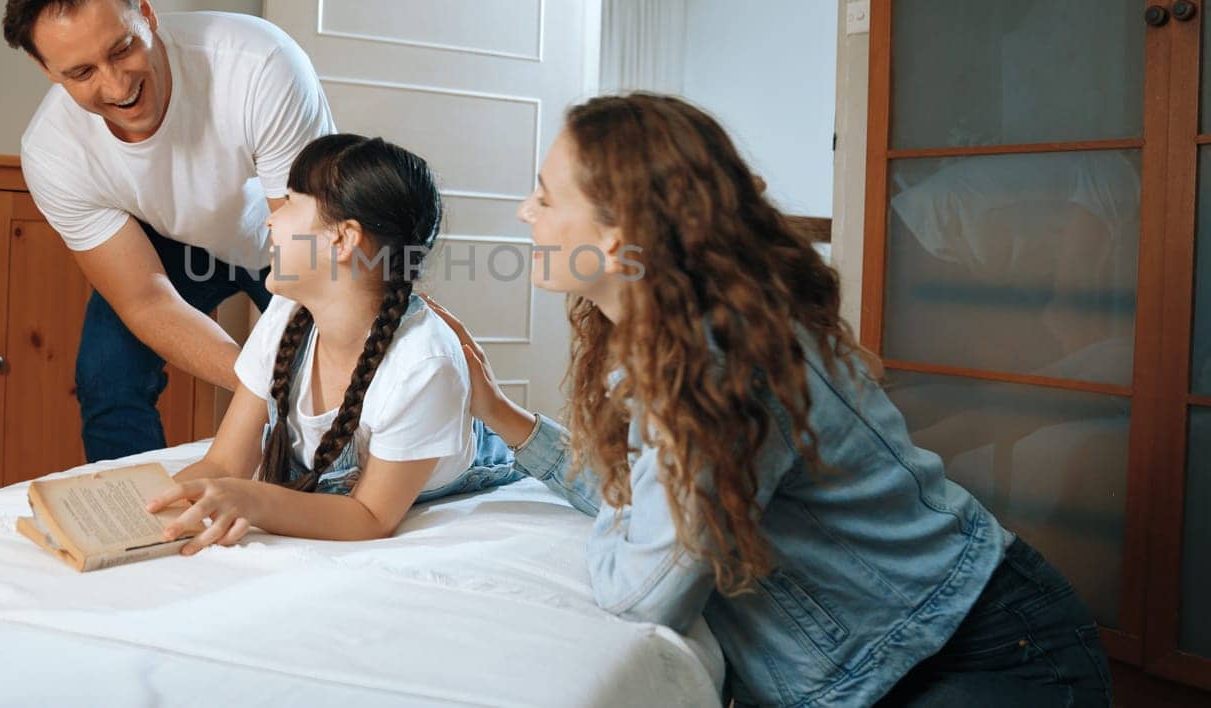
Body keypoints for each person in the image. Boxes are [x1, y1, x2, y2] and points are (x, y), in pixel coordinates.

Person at [430, 93, 1112, 707]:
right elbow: (653, 514)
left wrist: (618, 518)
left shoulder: (716, 363)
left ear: (616, 233)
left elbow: (642, 590)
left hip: (974, 656)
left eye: (546, 197)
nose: (525, 211)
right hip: (879, 663)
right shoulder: (670, 345)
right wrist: (498, 412)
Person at [2, 0, 334, 461]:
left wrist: (300, 373)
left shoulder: (259, 64)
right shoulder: (52, 153)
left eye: (122, 48)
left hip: (289, 232)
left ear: (147, 11)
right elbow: (144, 300)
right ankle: (137, 521)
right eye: (81, 73)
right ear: (47, 69)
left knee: (342, 369)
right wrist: (254, 379)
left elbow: (308, 254)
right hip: (181, 240)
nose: (117, 86)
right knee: (107, 373)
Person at [143, 134, 519, 554]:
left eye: (290, 201)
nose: (270, 219)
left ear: (342, 239)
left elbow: (370, 517)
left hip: (469, 465)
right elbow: (225, 464)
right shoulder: (286, 312)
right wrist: (147, 510)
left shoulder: (424, 362)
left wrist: (254, 500)